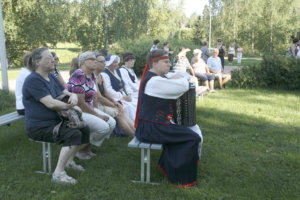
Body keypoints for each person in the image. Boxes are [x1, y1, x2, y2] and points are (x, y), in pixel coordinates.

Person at [135, 49, 203, 188]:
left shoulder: (156, 77)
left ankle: (172, 166)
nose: (169, 65)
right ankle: (181, 179)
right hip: (151, 128)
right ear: (154, 63)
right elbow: (183, 84)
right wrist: (179, 78)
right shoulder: (154, 81)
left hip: (156, 125)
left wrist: (177, 77)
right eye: (165, 62)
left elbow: (181, 75)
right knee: (192, 137)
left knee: (192, 131)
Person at [22, 47, 90, 184]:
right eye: (49, 58)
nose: (53, 60)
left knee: (84, 129)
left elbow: (66, 92)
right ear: (37, 62)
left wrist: (74, 97)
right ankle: (58, 173)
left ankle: (69, 162)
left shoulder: (51, 77)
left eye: (53, 57)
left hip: (55, 121)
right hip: (39, 126)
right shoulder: (33, 80)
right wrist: (71, 106)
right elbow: (51, 104)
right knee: (73, 134)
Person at [67, 52, 116, 159]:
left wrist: (98, 111)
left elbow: (94, 96)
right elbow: (80, 103)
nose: (96, 61)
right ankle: (77, 150)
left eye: (96, 59)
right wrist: (98, 116)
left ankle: (86, 148)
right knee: (103, 127)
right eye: (92, 59)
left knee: (112, 123)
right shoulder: (79, 75)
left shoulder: (92, 74)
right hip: (76, 111)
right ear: (83, 62)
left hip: (88, 108)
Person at [95, 53, 135, 136]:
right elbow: (99, 97)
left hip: (105, 101)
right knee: (119, 112)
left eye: (104, 61)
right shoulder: (95, 77)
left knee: (122, 110)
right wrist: (114, 104)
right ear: (95, 63)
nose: (104, 64)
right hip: (96, 104)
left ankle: (135, 132)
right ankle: (133, 135)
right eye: (102, 62)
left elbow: (106, 93)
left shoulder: (100, 76)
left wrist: (115, 103)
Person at [101, 54, 137, 121]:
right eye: (114, 62)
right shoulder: (104, 74)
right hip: (114, 97)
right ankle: (132, 124)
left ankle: (138, 123)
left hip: (123, 95)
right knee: (129, 107)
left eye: (117, 62)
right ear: (109, 62)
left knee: (136, 103)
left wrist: (128, 94)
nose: (116, 64)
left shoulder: (117, 71)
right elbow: (109, 90)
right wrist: (122, 97)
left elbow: (125, 84)